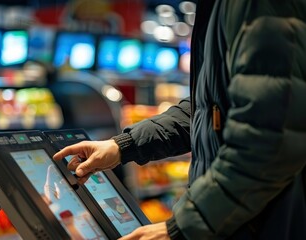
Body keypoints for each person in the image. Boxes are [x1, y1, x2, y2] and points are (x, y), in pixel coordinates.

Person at [53, 0, 306, 239]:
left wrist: (182, 228)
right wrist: (123, 145)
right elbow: (209, 108)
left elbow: (271, 141)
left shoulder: (257, 6)